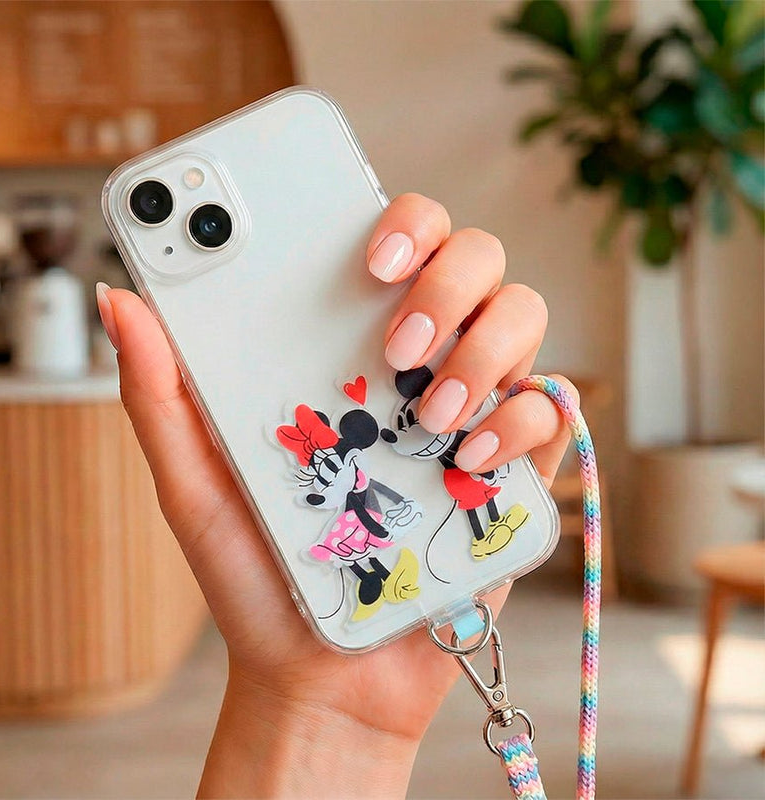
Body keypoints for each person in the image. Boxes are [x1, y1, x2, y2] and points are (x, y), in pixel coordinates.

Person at [95, 193, 578, 798]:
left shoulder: (363, 455)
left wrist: (337, 727)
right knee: (367, 549)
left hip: (398, 513)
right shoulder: (332, 469)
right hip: (356, 540)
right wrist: (310, 712)